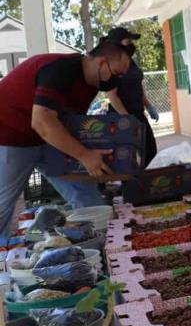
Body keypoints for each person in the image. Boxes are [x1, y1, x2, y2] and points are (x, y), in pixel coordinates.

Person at [0, 40, 132, 234]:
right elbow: (41, 121)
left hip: (49, 137)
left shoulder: (90, 84)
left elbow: (70, 124)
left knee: (86, 195)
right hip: (11, 135)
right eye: (117, 74)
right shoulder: (60, 70)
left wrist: (98, 159)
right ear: (102, 63)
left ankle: (102, 244)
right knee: (3, 204)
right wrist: (85, 156)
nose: (118, 80)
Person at [102, 27, 159, 167]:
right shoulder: (111, 63)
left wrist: (148, 106)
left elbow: (138, 87)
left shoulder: (130, 61)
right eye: (128, 41)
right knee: (127, 156)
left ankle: (143, 183)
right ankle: (127, 186)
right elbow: (112, 96)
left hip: (138, 113)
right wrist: (126, 119)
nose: (131, 45)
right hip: (121, 117)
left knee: (150, 150)